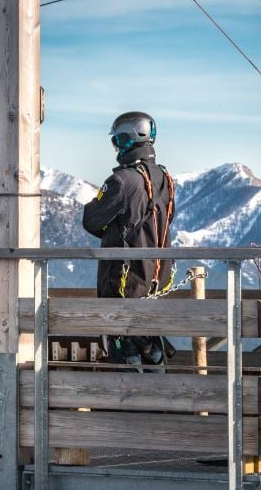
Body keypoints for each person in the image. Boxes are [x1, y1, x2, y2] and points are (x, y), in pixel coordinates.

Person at [82, 111, 176, 372]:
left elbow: (91, 219)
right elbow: (167, 219)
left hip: (124, 276)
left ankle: (127, 404)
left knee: (121, 339)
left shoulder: (121, 181)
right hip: (156, 275)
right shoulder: (165, 179)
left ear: (127, 140)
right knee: (148, 334)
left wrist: (112, 233)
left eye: (118, 140)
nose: (115, 146)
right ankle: (158, 399)